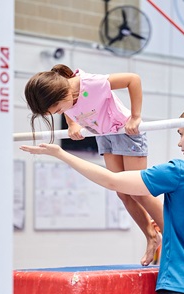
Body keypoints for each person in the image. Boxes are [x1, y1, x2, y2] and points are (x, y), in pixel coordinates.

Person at [20, 103, 184, 294]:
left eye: (181, 134)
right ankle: (151, 235)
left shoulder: (180, 172)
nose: (179, 142)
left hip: (182, 291)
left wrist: (62, 154)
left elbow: (113, 181)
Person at [24, 64, 163, 266]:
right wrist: (72, 124)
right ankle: (151, 236)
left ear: (62, 94)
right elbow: (68, 108)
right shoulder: (65, 96)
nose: (61, 112)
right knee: (122, 192)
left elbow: (133, 79)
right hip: (105, 136)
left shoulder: (91, 83)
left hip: (126, 132)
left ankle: (171, 236)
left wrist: (135, 116)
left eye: (58, 110)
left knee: (138, 191)